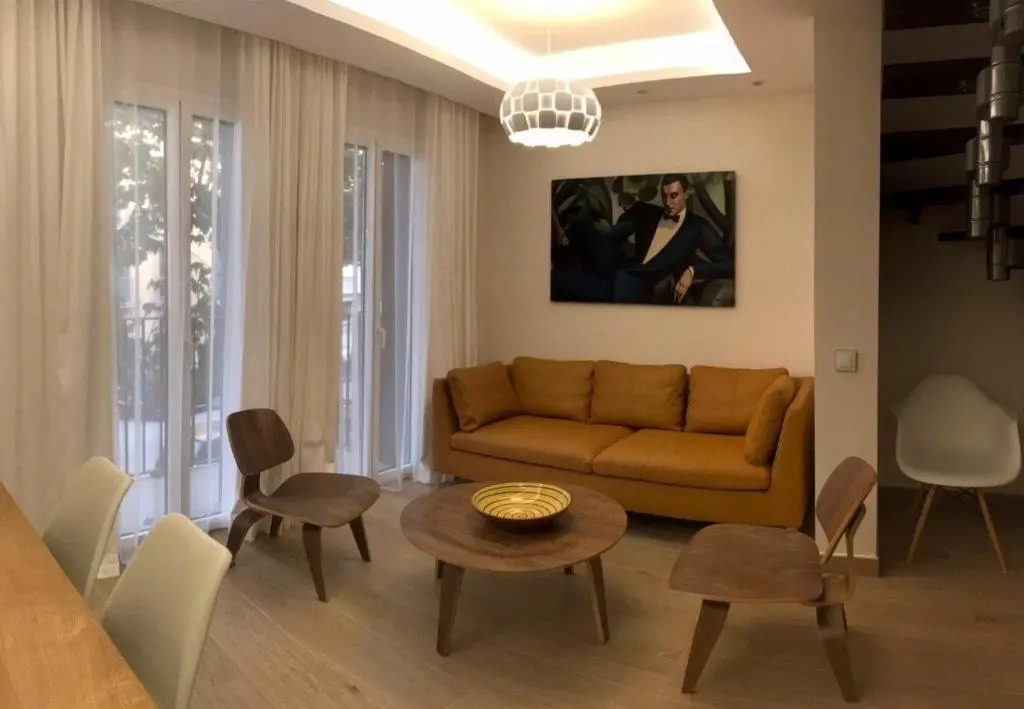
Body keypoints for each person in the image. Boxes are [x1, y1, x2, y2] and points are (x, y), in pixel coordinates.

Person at [610, 175, 734, 304]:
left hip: (660, 295)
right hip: (623, 282)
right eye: (665, 196)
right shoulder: (643, 211)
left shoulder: (698, 226)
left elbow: (730, 264)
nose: (668, 203)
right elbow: (610, 239)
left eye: (673, 196)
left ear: (686, 194)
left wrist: (693, 271)